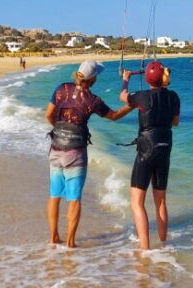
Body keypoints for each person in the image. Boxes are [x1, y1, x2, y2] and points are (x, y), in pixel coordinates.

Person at [45, 59, 134, 248]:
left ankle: (53, 237)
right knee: (74, 198)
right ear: (93, 79)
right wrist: (132, 105)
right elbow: (114, 115)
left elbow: (48, 115)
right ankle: (70, 242)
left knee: (54, 195)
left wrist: (60, 129)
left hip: (55, 148)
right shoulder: (92, 100)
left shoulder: (61, 89)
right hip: (76, 152)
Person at [119, 61, 180, 249]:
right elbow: (175, 122)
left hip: (146, 149)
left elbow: (122, 97)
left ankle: (145, 250)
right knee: (160, 200)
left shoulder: (142, 97)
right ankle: (163, 244)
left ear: (147, 79)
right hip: (165, 148)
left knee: (137, 202)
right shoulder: (174, 97)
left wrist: (125, 80)